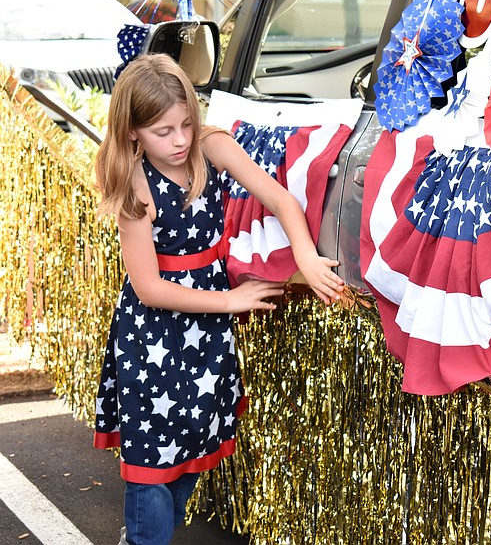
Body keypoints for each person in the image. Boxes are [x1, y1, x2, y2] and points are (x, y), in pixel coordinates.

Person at [92, 53, 345, 545]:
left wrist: (307, 258)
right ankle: (146, 538)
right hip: (153, 338)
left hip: (204, 336)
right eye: (163, 131)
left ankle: (147, 535)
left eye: (187, 122)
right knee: (149, 463)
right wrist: (231, 302)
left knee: (193, 446)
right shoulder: (134, 185)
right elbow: (149, 288)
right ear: (132, 134)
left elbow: (280, 199)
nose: (181, 139)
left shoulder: (211, 146)